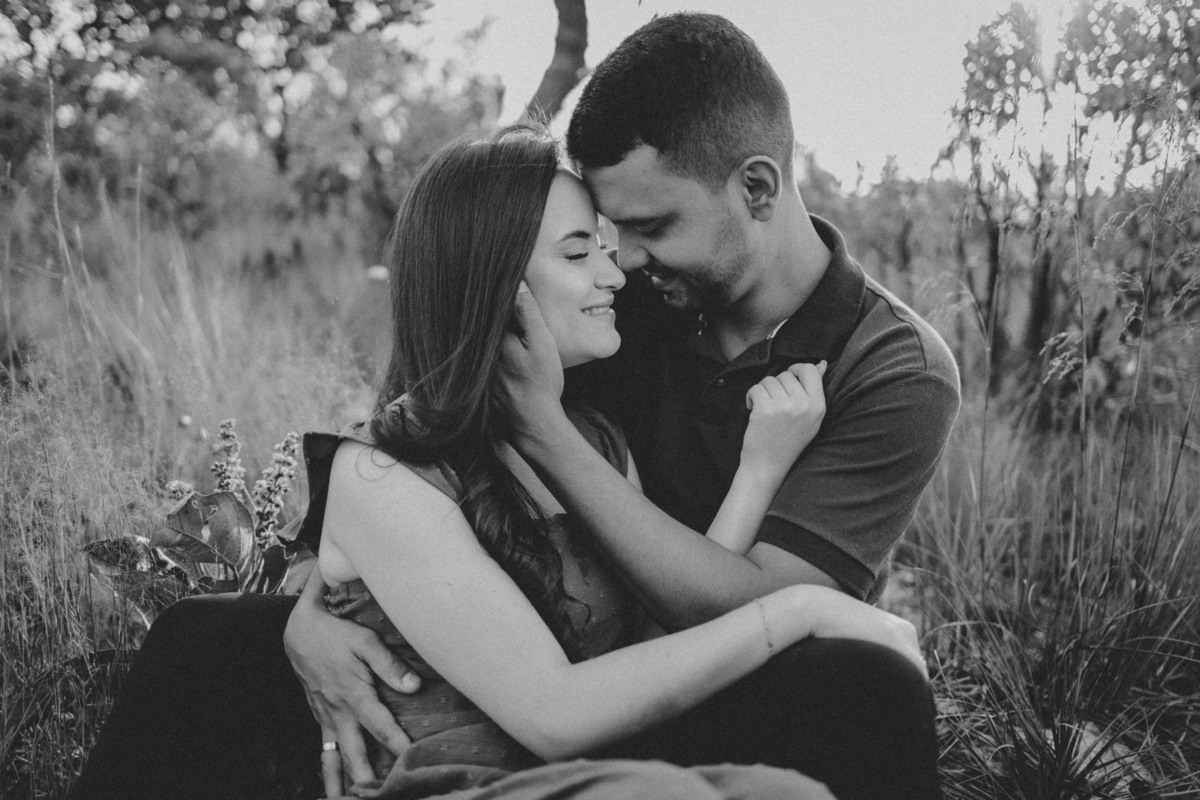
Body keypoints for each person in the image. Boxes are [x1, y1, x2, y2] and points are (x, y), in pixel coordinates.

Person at [71, 126, 918, 800]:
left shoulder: (595, 440)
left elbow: (666, 637)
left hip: (589, 770)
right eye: (579, 253)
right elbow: (555, 713)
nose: (617, 273)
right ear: (497, 287)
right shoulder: (384, 476)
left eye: (607, 245)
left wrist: (757, 475)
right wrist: (797, 609)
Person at [286, 12, 958, 800]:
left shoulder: (893, 367)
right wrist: (307, 612)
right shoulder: (616, 310)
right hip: (559, 717)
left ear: (756, 188)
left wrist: (552, 432)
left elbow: (757, 604)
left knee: (849, 711)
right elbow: (416, 461)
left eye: (648, 228)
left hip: (734, 688)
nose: (624, 264)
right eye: (600, 240)